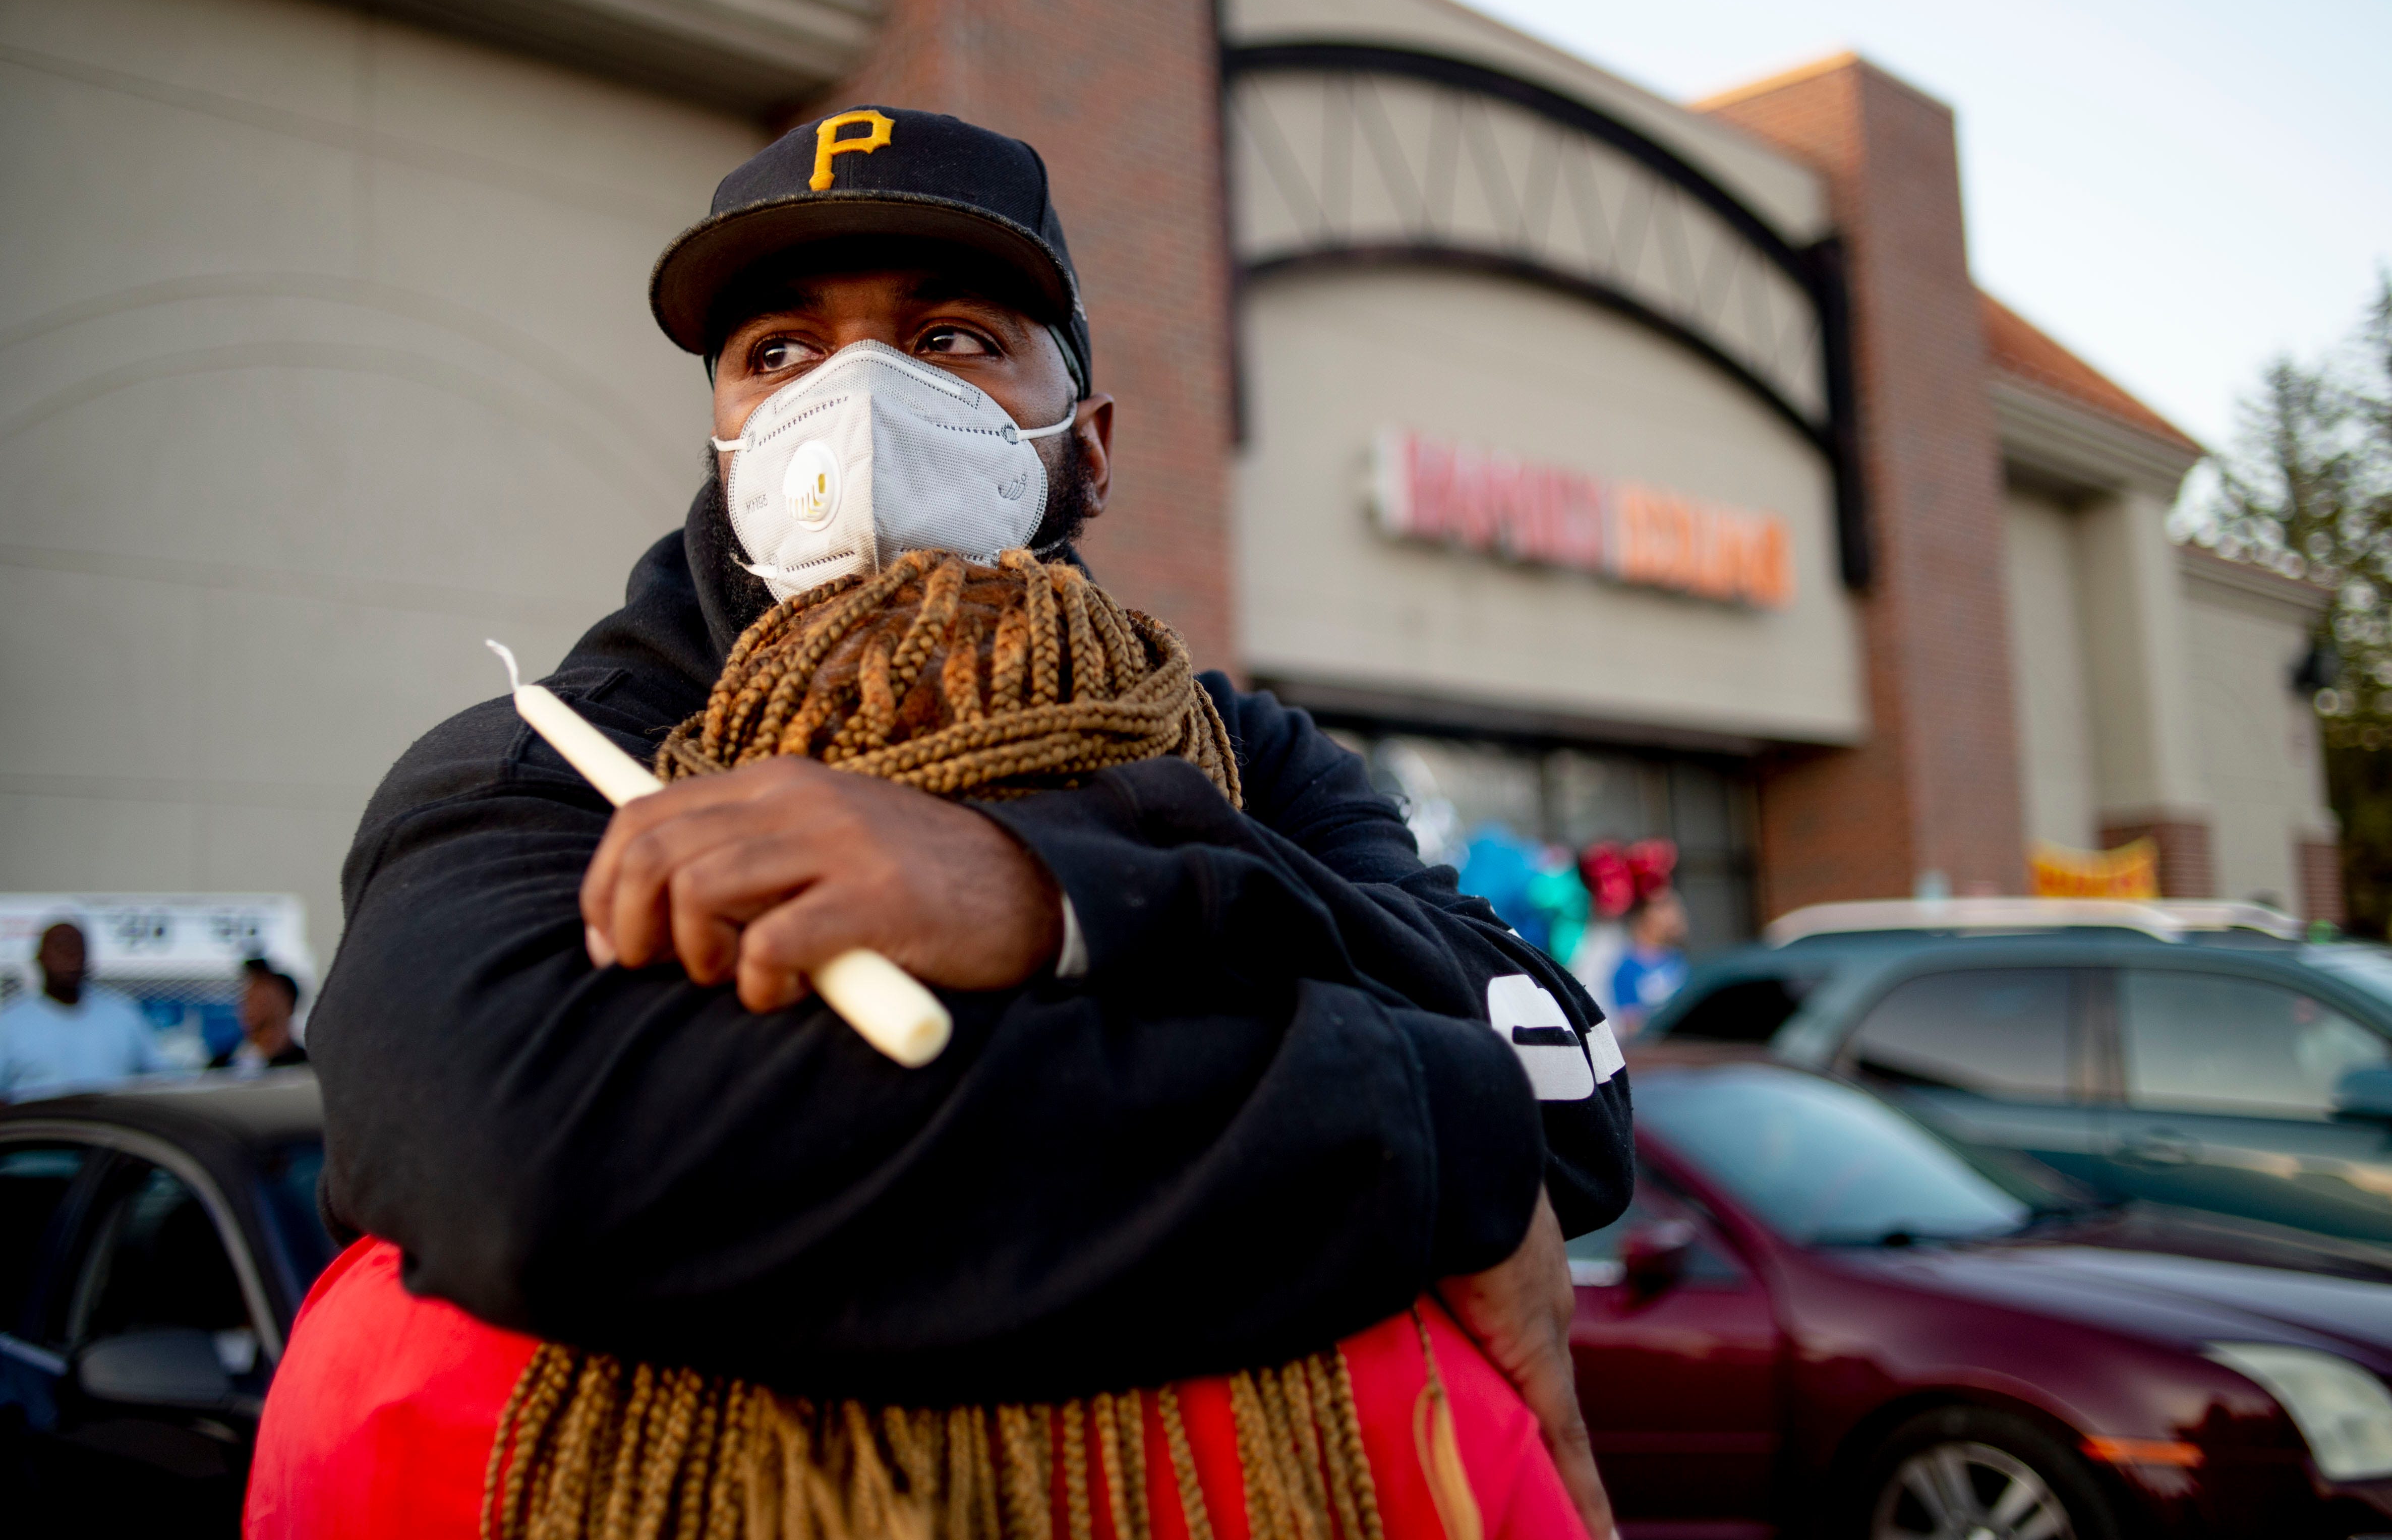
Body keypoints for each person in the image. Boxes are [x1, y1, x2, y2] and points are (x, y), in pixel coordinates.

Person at [253, 107, 1633, 1537]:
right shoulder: (548, 758)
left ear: (1085, 449)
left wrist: (1063, 889)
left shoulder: (1247, 753)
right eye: (776, 351)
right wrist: (1422, 1124)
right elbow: (529, 1160)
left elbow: (1566, 1090)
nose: (848, 397)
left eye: (951, 338)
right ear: (723, 440)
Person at [0, 921, 172, 1101]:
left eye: (78, 949)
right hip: (39, 1129)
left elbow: (161, 1078)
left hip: (111, 1127)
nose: (70, 956)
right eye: (60, 948)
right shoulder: (9, 1023)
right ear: (39, 959)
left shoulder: (122, 1013)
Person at [1608, 886, 1690, 1037]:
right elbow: (1633, 1026)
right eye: (1664, 907)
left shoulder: (1679, 961)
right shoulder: (1626, 970)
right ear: (1644, 915)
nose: (1675, 914)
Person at [209, 960, 308, 1072]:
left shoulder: (307, 1065)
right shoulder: (221, 1067)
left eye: (263, 1000)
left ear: (288, 1004)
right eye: (249, 999)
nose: (252, 1008)